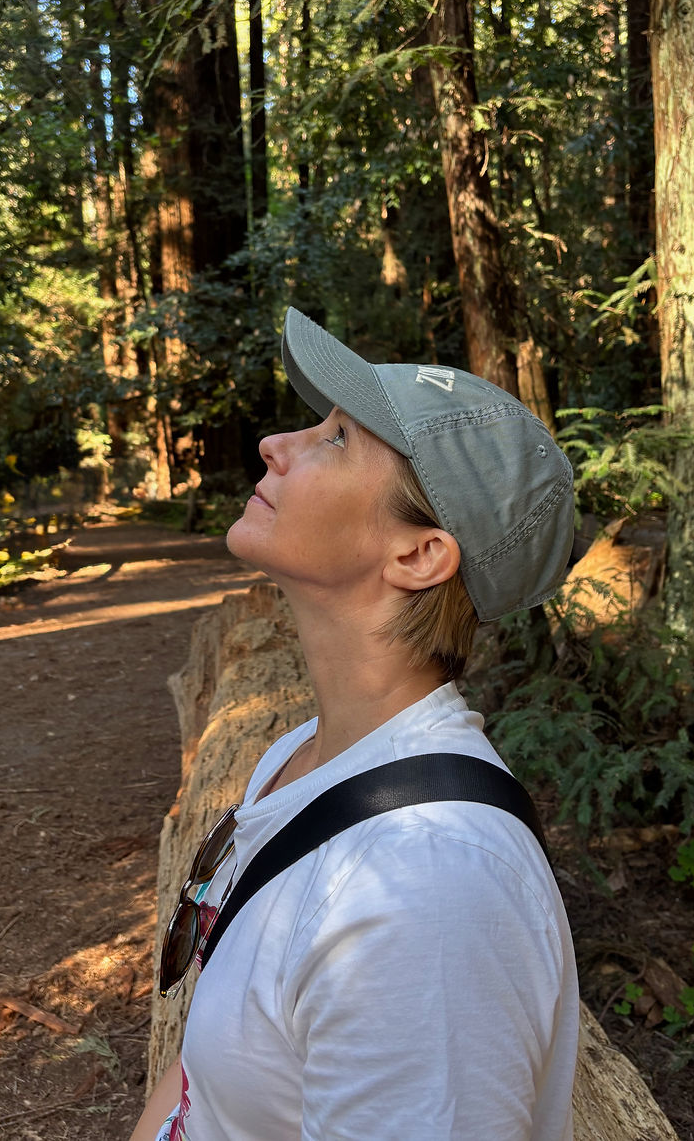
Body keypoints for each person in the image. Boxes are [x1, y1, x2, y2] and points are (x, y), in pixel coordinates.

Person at [131, 307, 580, 1141]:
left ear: (419, 555)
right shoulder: (300, 758)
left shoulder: (428, 885)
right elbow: (199, 1074)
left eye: (336, 438)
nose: (276, 443)